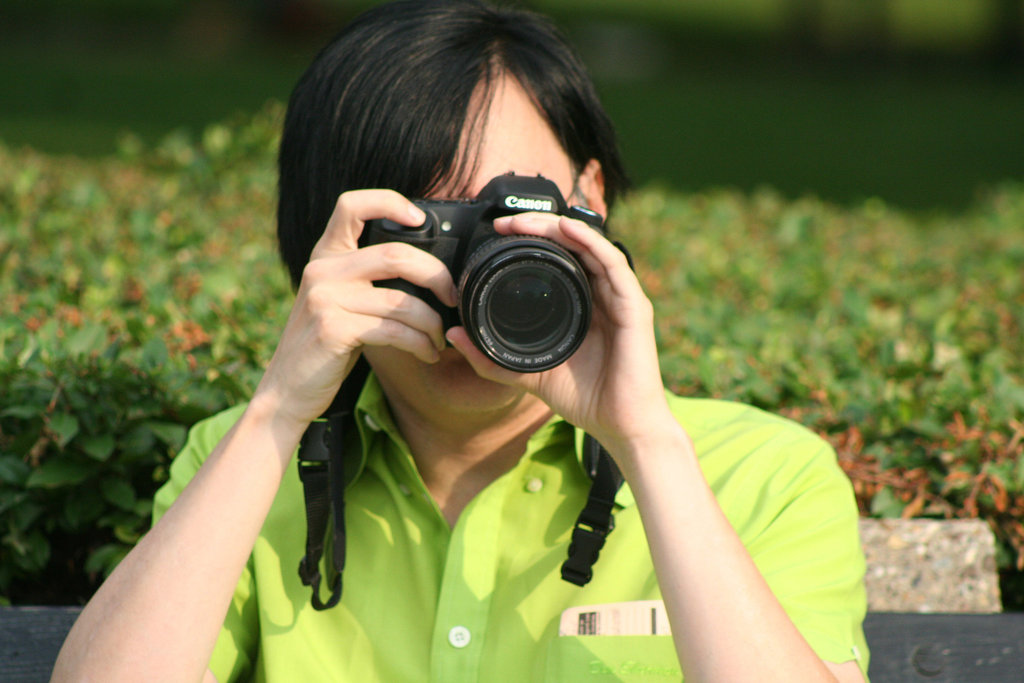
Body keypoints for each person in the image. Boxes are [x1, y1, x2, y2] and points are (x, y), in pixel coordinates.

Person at [52, 1, 869, 680]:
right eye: (427, 231)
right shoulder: (248, 469)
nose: (471, 276)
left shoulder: (762, 478)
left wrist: (646, 443)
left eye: (508, 215)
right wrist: (275, 414)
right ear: (326, 242)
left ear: (590, 198)